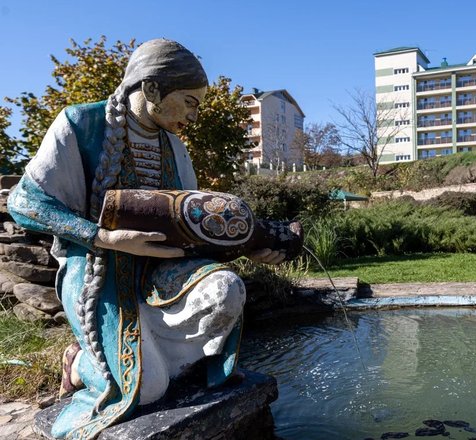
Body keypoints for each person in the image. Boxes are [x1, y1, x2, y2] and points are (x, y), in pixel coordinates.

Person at [8, 39, 282, 439]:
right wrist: (104, 237)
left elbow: (191, 228)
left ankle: (154, 363)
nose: (194, 115)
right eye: (189, 102)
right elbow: (24, 203)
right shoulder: (80, 124)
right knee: (148, 389)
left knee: (226, 288)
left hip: (161, 271)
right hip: (98, 273)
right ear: (152, 88)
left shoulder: (174, 147)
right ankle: (83, 363)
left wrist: (247, 247)